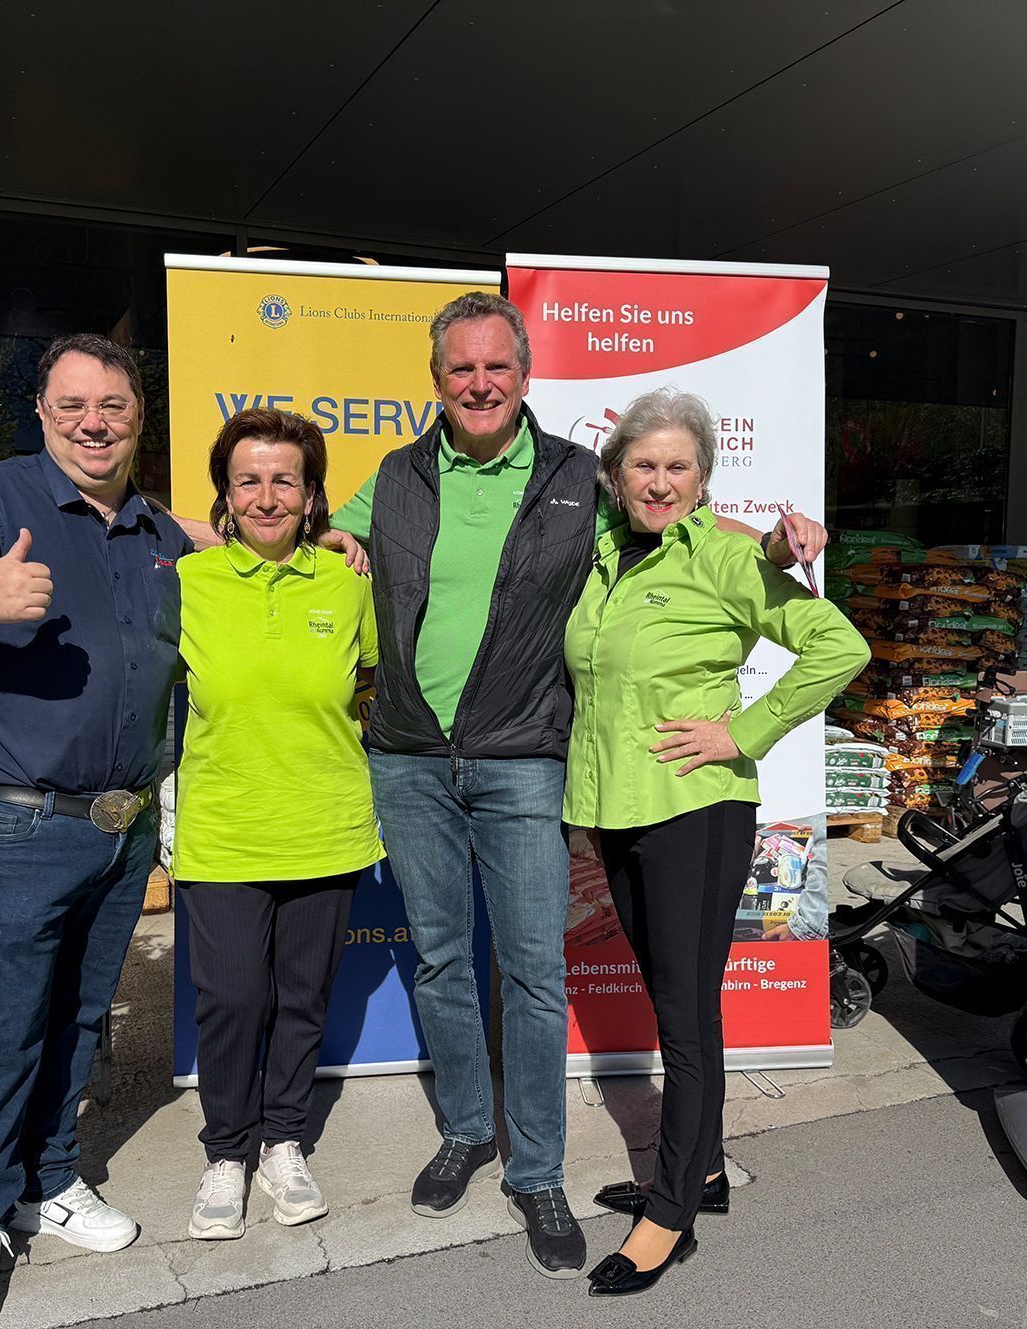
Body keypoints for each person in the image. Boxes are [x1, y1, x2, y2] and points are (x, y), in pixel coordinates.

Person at [328, 292, 826, 1280]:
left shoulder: (574, 478)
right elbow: (317, 542)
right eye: (460, 369)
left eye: (496, 367)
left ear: (523, 375)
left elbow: (673, 524)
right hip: (410, 757)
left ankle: (538, 1174)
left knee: (531, 971)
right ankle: (468, 1128)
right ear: (436, 381)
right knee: (438, 957)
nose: (478, 384)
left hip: (522, 760)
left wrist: (771, 549)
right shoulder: (391, 477)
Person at [0, 333, 192, 1329]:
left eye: (113, 405)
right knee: (2, 1034)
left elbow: (231, 538)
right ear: (43, 413)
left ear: (138, 415)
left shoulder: (152, 528)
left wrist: (316, 537)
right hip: (18, 824)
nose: (95, 422)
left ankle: (48, 1180)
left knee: (78, 1020)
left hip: (123, 825)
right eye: (74, 406)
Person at [564, 387, 868, 1297]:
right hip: (614, 809)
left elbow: (837, 645)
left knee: (687, 1017)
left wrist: (746, 731)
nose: (659, 482)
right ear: (614, 475)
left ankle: (669, 1217)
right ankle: (700, 1167)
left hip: (695, 811)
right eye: (644, 465)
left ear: (703, 480)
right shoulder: (598, 554)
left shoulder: (727, 561)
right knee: (672, 997)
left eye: (678, 467)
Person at [172, 408, 382, 1241]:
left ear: (312, 495)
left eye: (283, 479)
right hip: (224, 833)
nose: (266, 496)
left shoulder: (347, 583)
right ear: (225, 494)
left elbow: (367, 678)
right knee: (231, 999)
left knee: (303, 998)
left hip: (325, 825)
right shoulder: (189, 581)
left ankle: (284, 1140)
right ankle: (227, 1151)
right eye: (247, 479)